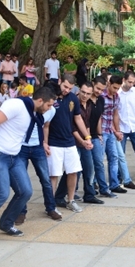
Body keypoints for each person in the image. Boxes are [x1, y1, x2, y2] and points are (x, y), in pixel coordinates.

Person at [0, 87, 57, 249]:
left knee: (25, 191)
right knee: (0, 194)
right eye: (48, 105)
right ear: (40, 101)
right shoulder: (16, 105)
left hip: (14, 156)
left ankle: (6, 223)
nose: (50, 109)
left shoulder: (34, 113)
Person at [43, 74, 90, 212]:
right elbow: (46, 124)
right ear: (59, 82)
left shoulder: (73, 98)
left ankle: (71, 200)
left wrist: (87, 136)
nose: (66, 90)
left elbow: (78, 119)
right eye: (65, 87)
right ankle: (50, 205)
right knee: (54, 174)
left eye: (70, 88)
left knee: (73, 171)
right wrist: (45, 142)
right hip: (54, 141)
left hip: (69, 141)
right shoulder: (51, 97)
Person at [101, 75, 132, 194]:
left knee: (114, 157)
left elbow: (115, 114)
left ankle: (114, 184)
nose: (115, 90)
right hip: (102, 131)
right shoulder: (101, 96)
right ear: (108, 83)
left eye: (117, 88)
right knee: (99, 159)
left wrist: (118, 131)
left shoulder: (116, 97)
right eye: (114, 87)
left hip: (110, 131)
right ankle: (94, 183)